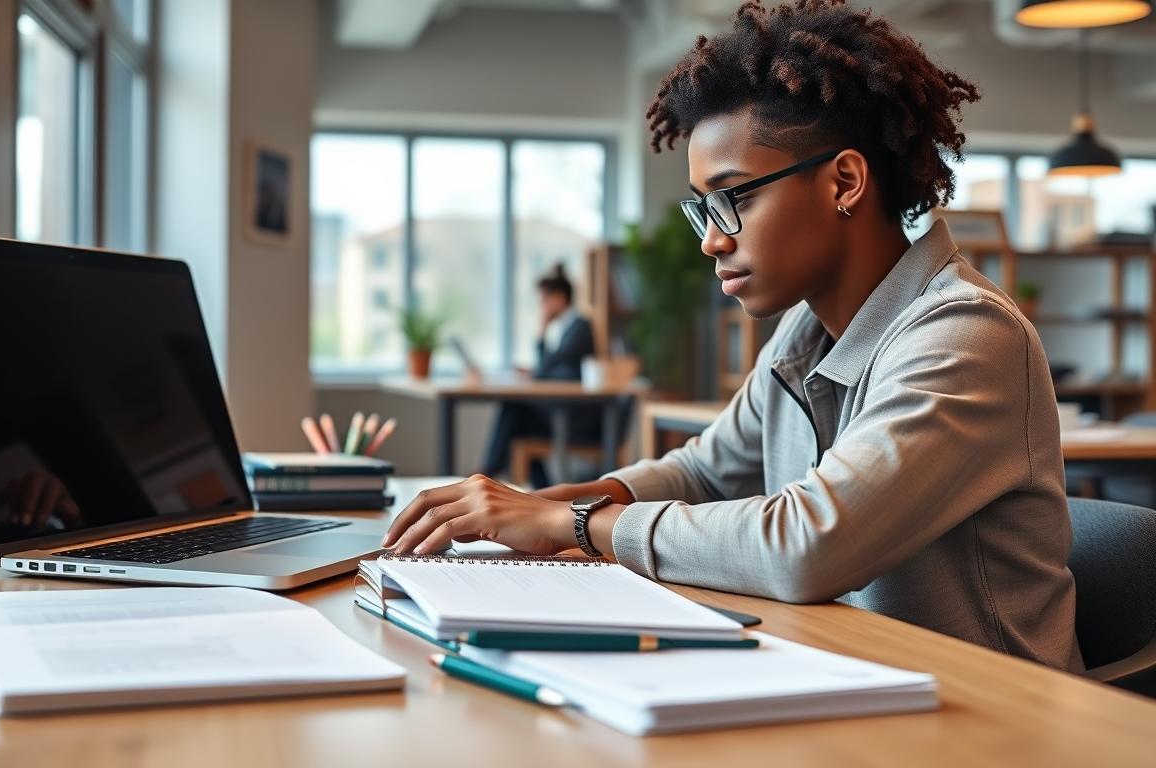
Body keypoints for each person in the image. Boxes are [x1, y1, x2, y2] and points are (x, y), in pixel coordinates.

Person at [385, 0, 1082, 671]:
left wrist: (571, 528)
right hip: (851, 678)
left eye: (736, 198)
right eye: (704, 209)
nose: (713, 240)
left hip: (994, 720)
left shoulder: (967, 334)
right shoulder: (804, 333)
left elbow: (807, 544)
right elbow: (704, 474)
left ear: (844, 180)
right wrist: (537, 509)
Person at [479, 264, 597, 487]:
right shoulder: (568, 327)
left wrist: (541, 330)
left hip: (573, 417)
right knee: (519, 420)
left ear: (560, 298)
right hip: (561, 410)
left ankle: (488, 473)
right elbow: (550, 368)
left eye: (544, 300)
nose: (542, 306)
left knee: (514, 409)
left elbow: (545, 370)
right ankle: (540, 489)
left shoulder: (580, 326)